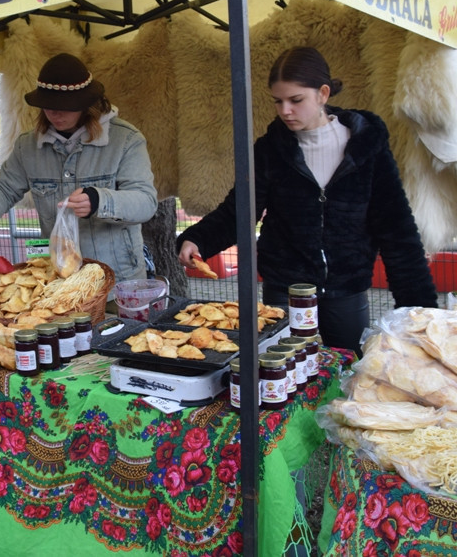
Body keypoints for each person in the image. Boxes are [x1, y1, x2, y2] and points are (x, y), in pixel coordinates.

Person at [176, 47, 437, 353]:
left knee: (350, 368)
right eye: (278, 101)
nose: (285, 110)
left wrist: (422, 310)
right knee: (282, 374)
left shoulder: (367, 146)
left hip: (347, 289)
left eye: (295, 100)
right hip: (284, 289)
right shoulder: (269, 150)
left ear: (322, 94)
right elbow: (239, 212)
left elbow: (396, 228)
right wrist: (197, 239)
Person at [0, 53, 158, 282]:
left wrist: (99, 201)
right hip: (61, 281)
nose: (55, 113)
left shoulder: (126, 140)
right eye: (48, 106)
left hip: (119, 281)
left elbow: (146, 202)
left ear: (87, 104)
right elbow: (3, 186)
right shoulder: (28, 146)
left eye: (65, 106)